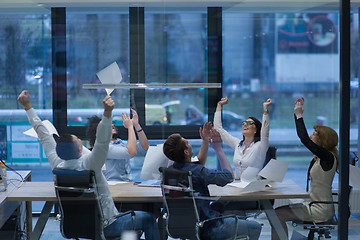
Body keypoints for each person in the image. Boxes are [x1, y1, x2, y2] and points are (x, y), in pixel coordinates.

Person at [17, 90, 160, 240]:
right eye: (79, 140)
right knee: (149, 219)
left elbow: (43, 134)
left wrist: (27, 107)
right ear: (80, 149)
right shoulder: (91, 164)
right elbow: (103, 141)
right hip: (108, 226)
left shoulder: (57, 164)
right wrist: (107, 113)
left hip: (73, 227)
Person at [163, 123, 262, 240]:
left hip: (181, 226)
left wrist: (205, 140)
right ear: (186, 152)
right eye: (187, 142)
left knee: (222, 205)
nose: (189, 144)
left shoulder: (170, 172)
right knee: (255, 227)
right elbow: (228, 176)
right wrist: (219, 149)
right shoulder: (197, 171)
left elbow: (197, 164)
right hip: (207, 228)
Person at [271, 97, 339, 240]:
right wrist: (297, 113)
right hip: (313, 204)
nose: (310, 136)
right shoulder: (322, 157)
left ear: (323, 140)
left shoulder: (328, 157)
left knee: (277, 215)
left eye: (314, 135)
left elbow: (304, 139)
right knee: (276, 214)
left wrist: (299, 115)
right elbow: (306, 139)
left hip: (319, 209)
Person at [214, 97, 272, 179]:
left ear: (256, 130)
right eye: (244, 123)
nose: (245, 124)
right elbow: (218, 129)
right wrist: (219, 105)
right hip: (238, 185)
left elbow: (265, 132)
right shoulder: (237, 144)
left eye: (249, 123)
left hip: (254, 187)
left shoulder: (260, 146)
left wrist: (265, 109)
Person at [86, 108, 149, 181]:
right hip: (112, 186)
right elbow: (131, 153)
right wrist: (130, 127)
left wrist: (136, 125)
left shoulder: (120, 142)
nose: (112, 125)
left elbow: (144, 148)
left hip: (126, 183)